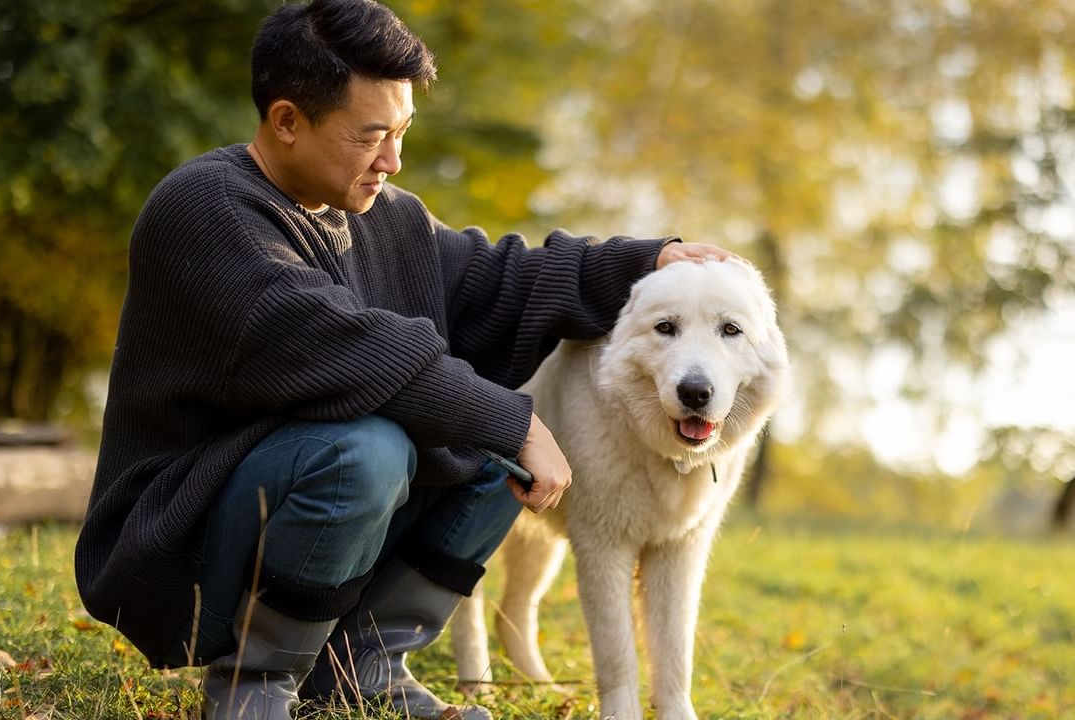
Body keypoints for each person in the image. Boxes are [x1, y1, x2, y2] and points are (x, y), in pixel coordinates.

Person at [73, 1, 733, 718]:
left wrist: (648, 260)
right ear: (287, 121)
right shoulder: (205, 209)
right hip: (182, 538)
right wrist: (516, 422)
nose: (393, 160)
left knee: (483, 448)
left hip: (285, 508)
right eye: (373, 136)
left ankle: (363, 669)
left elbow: (499, 281)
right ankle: (253, 682)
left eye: (403, 133)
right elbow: (341, 344)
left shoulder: (386, 216)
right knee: (370, 447)